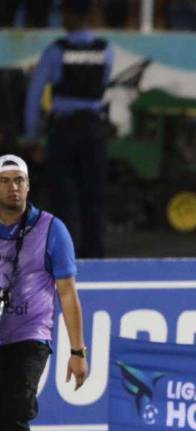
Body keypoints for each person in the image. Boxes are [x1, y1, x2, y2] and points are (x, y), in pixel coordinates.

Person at [0, 154, 87, 431]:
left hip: (29, 335)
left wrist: (77, 351)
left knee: (14, 411)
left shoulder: (51, 229)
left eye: (19, 179)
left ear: (29, 185)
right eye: (5, 180)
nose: (13, 186)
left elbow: (67, 293)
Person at [22, 0, 113, 259]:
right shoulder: (105, 50)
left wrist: (32, 136)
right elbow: (103, 83)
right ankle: (95, 258)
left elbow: (35, 94)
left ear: (69, 15)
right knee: (93, 198)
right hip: (94, 129)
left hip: (63, 131)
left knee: (62, 199)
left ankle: (63, 259)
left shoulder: (55, 51)